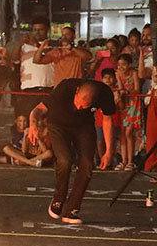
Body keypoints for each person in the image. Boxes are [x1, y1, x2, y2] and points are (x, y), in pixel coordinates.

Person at [29, 78, 116, 224]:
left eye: (85, 106)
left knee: (87, 164)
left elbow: (108, 121)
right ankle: (58, 198)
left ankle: (73, 208)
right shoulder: (65, 87)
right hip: (58, 124)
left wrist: (109, 150)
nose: (79, 107)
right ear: (76, 92)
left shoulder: (105, 93)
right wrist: (33, 124)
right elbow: (39, 109)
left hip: (84, 127)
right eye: (79, 102)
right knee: (64, 160)